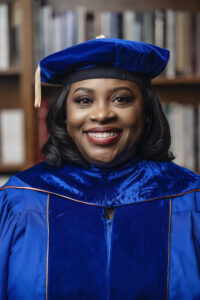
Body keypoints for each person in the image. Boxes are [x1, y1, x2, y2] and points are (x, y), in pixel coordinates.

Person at [0, 37, 200, 300]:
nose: (102, 114)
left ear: (147, 112)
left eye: (121, 99)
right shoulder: (21, 200)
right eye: (84, 101)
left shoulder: (189, 198)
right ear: (65, 115)